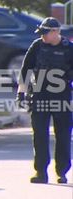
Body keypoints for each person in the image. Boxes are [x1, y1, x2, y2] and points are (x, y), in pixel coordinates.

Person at [16, 17, 72, 184]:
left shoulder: (69, 49)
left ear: (56, 32)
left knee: (63, 135)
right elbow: (25, 70)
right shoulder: (37, 46)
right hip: (39, 94)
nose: (43, 37)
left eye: (45, 33)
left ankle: (62, 172)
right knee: (39, 134)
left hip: (62, 96)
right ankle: (41, 172)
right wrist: (21, 93)